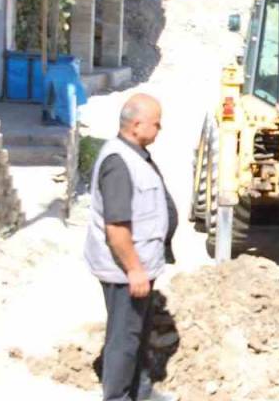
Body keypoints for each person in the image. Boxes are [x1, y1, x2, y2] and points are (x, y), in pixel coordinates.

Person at [84, 93, 178, 401]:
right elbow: (116, 227)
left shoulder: (134, 154)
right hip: (126, 270)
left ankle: (141, 391)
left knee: (136, 335)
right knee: (124, 339)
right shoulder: (119, 162)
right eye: (156, 123)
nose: (159, 129)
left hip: (139, 266)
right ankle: (118, 396)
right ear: (137, 125)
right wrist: (135, 269)